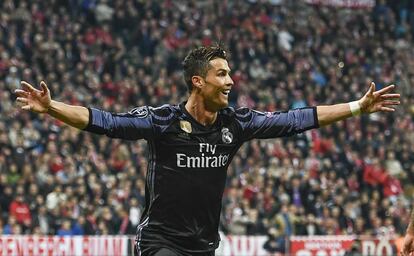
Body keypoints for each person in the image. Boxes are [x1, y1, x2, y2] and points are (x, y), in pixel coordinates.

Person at [14, 45, 400, 256]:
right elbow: (106, 122)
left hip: (204, 246)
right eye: (222, 74)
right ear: (198, 81)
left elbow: (296, 119)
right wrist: (51, 107)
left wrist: (356, 107)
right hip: (160, 244)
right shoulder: (162, 121)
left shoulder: (237, 124)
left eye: (230, 73)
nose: (231, 81)